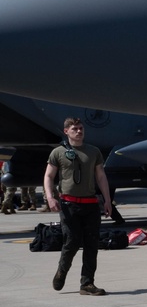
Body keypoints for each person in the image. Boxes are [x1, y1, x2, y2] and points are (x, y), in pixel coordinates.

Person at [44, 117, 113, 295]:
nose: (79, 131)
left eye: (81, 128)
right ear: (66, 131)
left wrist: (107, 200)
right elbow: (49, 176)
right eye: (75, 129)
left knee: (91, 244)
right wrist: (50, 197)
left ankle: (87, 284)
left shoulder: (93, 151)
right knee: (72, 241)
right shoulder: (58, 152)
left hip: (90, 204)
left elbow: (101, 176)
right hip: (69, 205)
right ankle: (62, 271)